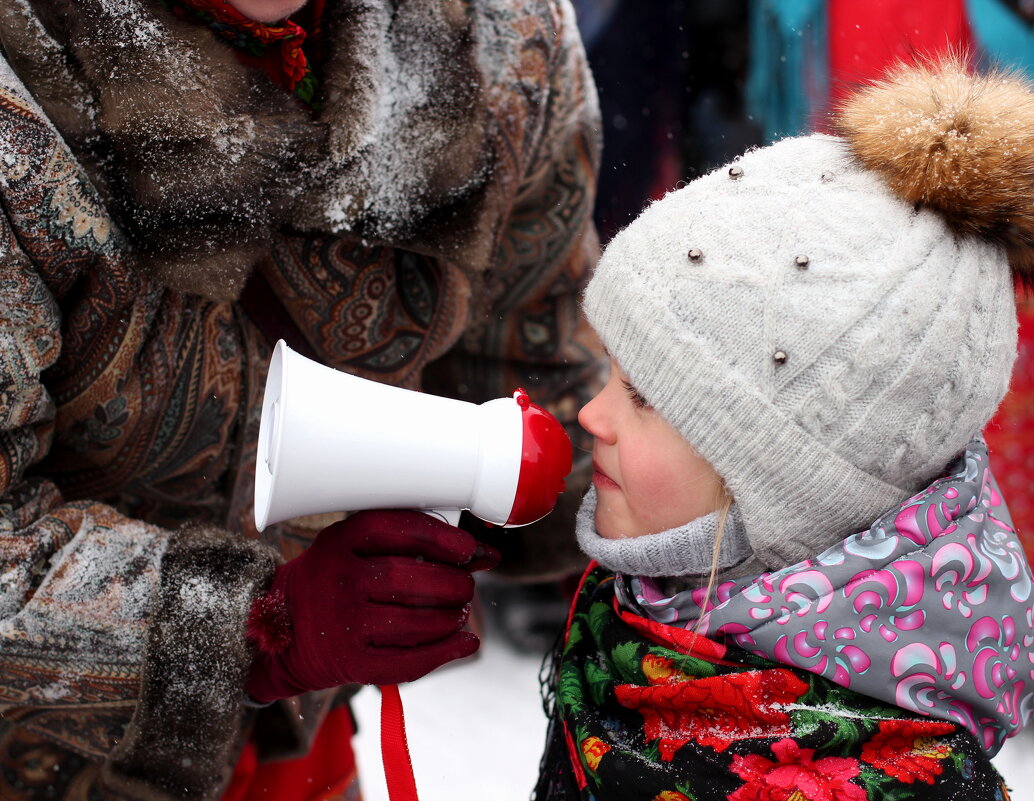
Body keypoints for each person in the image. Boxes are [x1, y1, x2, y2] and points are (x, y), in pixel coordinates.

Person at [0, 0, 602, 798]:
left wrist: (679, 516)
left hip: (297, 750)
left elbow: (544, 371)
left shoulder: (500, 38)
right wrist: (258, 628)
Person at [533, 58, 1034, 800]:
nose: (591, 413)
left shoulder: (893, 780)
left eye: (643, 396)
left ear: (784, 496)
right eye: (609, 372)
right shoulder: (643, 598)